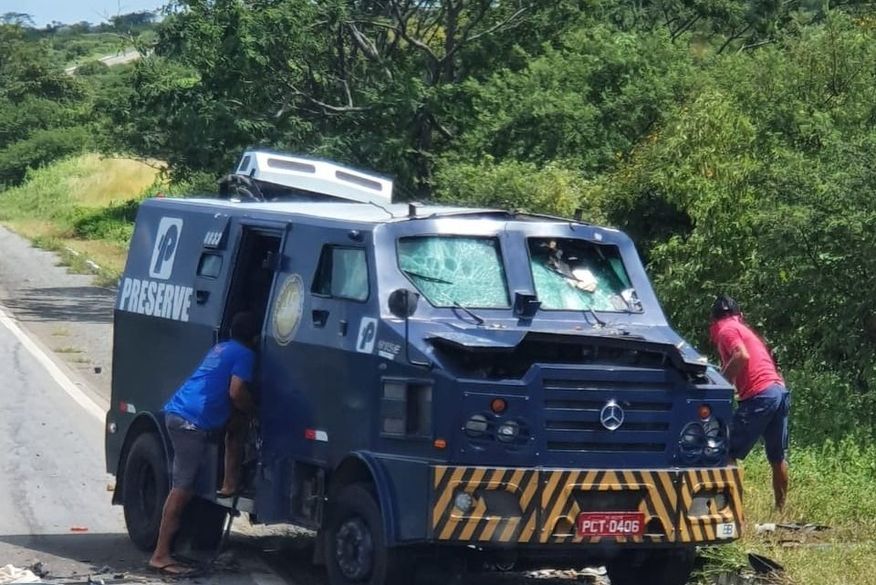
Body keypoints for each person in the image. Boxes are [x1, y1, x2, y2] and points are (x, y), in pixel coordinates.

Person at [148, 312, 259, 575]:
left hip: (179, 412)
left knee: (236, 426)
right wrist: (255, 411)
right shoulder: (245, 354)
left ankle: (229, 483)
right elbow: (236, 392)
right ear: (255, 338)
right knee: (182, 489)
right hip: (191, 423)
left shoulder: (221, 348)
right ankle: (160, 555)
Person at [710, 295, 790, 511]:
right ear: (739, 315)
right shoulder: (744, 329)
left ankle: (733, 511)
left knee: (725, 450)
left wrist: (720, 384)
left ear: (714, 320)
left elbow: (741, 356)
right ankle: (780, 510)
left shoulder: (725, 330)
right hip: (778, 390)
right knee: (777, 456)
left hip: (760, 394)